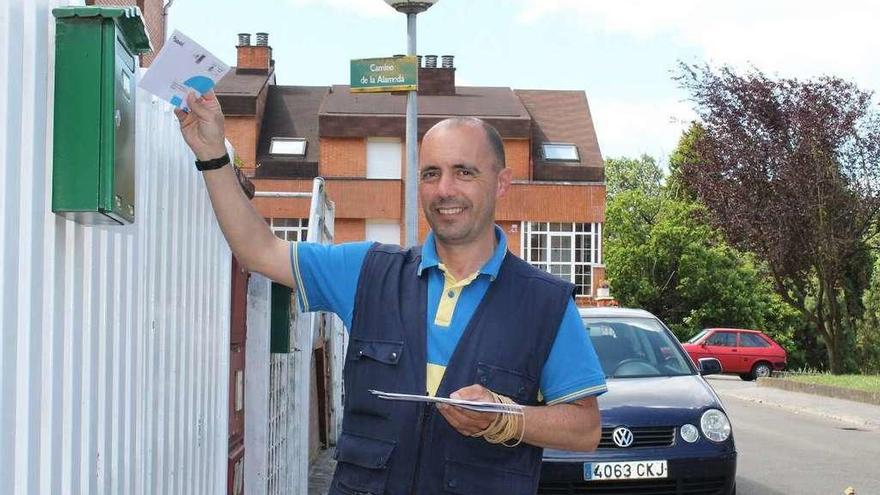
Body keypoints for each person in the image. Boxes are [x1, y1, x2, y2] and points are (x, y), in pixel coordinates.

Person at [175, 91, 606, 494]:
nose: (444, 190)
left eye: (464, 172)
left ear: (501, 183)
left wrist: (507, 419)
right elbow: (259, 250)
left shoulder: (544, 303)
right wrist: (213, 154)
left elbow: (585, 430)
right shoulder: (368, 271)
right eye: (431, 174)